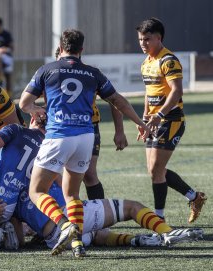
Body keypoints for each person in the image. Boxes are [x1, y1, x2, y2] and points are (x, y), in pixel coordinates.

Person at [19, 29, 150, 258]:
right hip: (86, 138)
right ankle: (78, 243)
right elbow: (118, 100)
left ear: (60, 47)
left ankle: (65, 225)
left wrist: (36, 109)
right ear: (82, 49)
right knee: (72, 195)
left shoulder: (47, 70)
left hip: (59, 135)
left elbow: (24, 103)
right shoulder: (92, 73)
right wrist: (139, 123)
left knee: (36, 190)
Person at [136, 18, 206, 222]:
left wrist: (159, 115)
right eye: (140, 39)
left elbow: (176, 91)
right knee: (154, 170)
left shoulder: (168, 60)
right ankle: (194, 196)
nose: (143, 43)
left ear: (159, 38)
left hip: (171, 120)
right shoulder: (146, 62)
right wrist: (145, 119)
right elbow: (149, 92)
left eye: (147, 39)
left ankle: (159, 219)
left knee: (157, 170)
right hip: (155, 121)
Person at [13, 184, 204, 250]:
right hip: (65, 218)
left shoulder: (6, 195)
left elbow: (18, 237)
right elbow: (67, 187)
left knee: (98, 236)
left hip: (51, 238)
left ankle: (137, 241)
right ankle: (167, 232)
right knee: (132, 207)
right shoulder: (40, 154)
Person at [53, 47, 128, 199]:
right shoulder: (52, 74)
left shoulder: (89, 75)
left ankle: (100, 216)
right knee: (53, 174)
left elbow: (114, 101)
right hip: (59, 128)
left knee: (89, 174)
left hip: (89, 128)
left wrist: (119, 131)